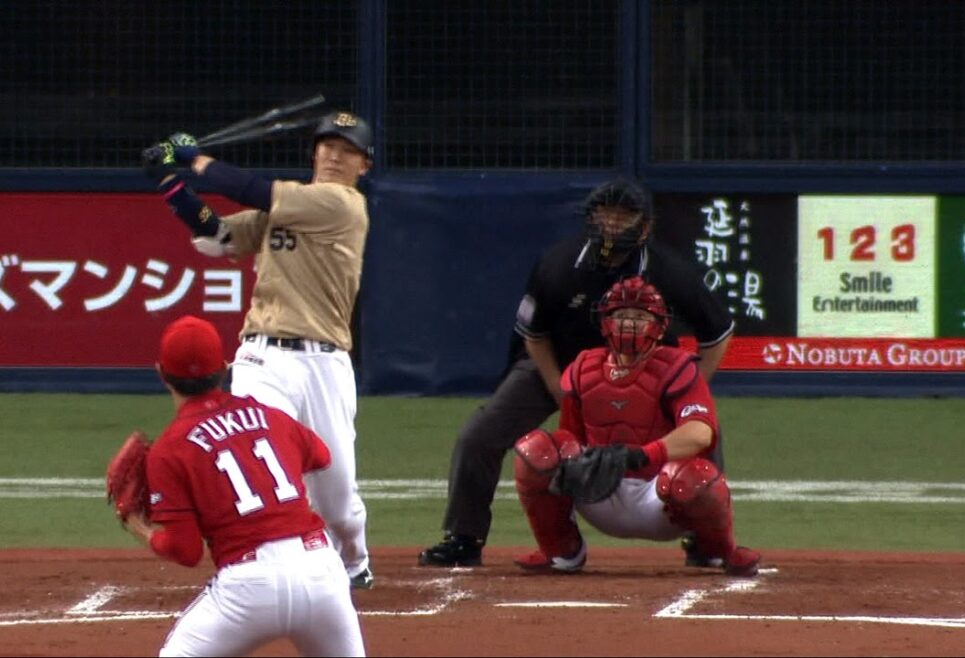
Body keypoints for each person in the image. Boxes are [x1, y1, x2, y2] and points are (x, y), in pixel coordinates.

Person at [418, 176, 734, 568]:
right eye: (605, 213)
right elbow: (535, 334)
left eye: (625, 215)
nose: (613, 224)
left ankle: (707, 540)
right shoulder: (559, 263)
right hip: (560, 363)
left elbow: (718, 332)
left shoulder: (670, 271)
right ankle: (465, 536)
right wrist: (557, 386)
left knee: (702, 433)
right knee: (479, 435)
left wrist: (690, 389)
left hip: (646, 369)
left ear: (646, 226)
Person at [141, 111, 375, 588]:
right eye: (327, 145)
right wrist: (167, 180)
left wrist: (196, 159)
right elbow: (216, 233)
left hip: (324, 361)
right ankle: (269, 559)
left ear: (363, 166)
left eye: (347, 149)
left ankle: (353, 561)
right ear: (315, 152)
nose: (334, 155)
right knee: (262, 458)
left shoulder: (342, 204)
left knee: (337, 497)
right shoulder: (284, 209)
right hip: (261, 357)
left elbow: (252, 190)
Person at [119, 315, 366, 656]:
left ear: (161, 373)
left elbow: (186, 551)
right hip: (321, 574)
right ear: (224, 368)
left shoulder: (169, 449)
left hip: (249, 592)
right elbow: (321, 456)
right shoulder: (272, 416)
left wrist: (139, 528)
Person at [510, 277, 760, 576]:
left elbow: (699, 431)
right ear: (604, 322)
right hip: (599, 490)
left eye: (640, 317)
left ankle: (719, 551)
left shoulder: (678, 368)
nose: (629, 324)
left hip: (660, 496)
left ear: (659, 325)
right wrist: (585, 462)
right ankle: (561, 551)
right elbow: (570, 436)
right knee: (536, 451)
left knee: (696, 478)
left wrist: (641, 455)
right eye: (621, 315)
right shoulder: (583, 367)